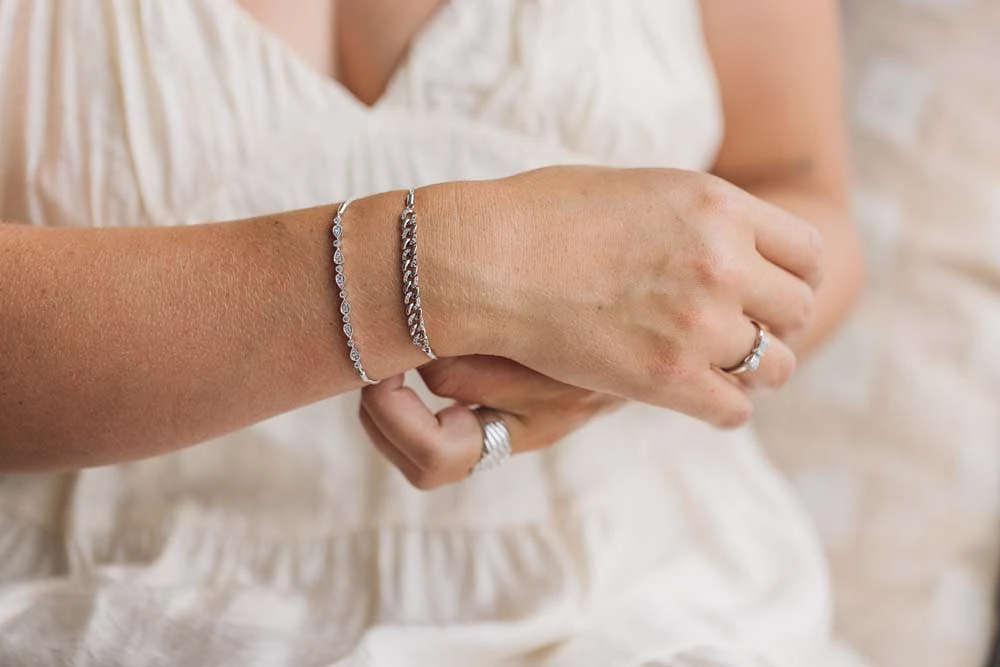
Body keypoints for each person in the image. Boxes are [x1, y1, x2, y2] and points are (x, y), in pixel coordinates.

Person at [0, 0, 865, 665]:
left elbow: (796, 185)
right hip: (86, 590)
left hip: (644, 589)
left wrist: (622, 366)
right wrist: (444, 262)